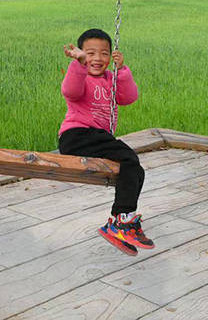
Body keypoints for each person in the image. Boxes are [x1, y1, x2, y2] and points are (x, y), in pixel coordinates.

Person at [58, 29, 154, 256]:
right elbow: (69, 91)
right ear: (81, 54)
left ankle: (120, 221)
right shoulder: (81, 77)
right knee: (130, 158)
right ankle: (122, 221)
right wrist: (79, 65)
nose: (97, 59)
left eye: (104, 53)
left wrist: (122, 71)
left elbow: (128, 98)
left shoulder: (111, 79)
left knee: (135, 169)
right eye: (90, 53)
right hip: (77, 136)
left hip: (99, 139)